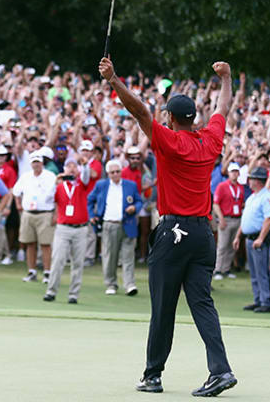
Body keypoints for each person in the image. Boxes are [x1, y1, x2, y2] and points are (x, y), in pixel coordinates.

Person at [100, 56, 236, 396]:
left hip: (174, 233)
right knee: (202, 303)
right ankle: (220, 370)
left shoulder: (171, 141)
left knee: (163, 307)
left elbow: (141, 113)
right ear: (194, 118)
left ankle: (153, 375)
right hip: (203, 234)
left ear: (172, 118)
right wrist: (227, 78)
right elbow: (224, 107)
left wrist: (114, 78)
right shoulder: (211, 140)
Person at [87, 159, 143, 296]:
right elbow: (90, 200)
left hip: (127, 223)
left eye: (118, 171)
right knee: (110, 256)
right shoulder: (102, 185)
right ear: (108, 173)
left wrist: (134, 208)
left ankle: (129, 284)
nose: (116, 174)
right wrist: (92, 215)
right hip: (109, 224)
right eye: (112, 172)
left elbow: (139, 201)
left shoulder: (131, 185)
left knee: (128, 256)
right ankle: (111, 283)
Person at [43, 158, 90, 303]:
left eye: (74, 166)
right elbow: (48, 199)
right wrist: (55, 182)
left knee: (78, 263)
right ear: (64, 170)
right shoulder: (59, 187)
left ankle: (73, 294)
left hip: (80, 228)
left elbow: (86, 176)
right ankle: (51, 291)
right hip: (63, 228)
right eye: (68, 166)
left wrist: (84, 164)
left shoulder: (81, 184)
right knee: (57, 260)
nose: (71, 169)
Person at [233, 167, 270, 313]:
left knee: (262, 271)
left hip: (259, 238)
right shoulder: (252, 197)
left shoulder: (266, 197)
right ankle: (259, 299)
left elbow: (269, 219)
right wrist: (239, 236)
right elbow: (246, 219)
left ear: (257, 181)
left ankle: (267, 301)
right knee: (254, 271)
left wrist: (261, 238)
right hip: (250, 237)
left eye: (251, 179)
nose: (249, 181)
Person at [12, 151, 57, 283]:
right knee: (29, 243)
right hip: (28, 213)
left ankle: (47, 273)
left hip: (45, 213)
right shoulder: (26, 176)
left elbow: (56, 197)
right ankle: (32, 272)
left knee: (45, 244)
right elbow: (16, 191)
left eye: (38, 162)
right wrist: (18, 204)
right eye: (34, 162)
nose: (36, 164)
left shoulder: (50, 176)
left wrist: (56, 214)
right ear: (31, 163)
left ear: (42, 162)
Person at [212, 162, 244, 279]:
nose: (235, 174)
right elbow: (216, 204)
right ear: (228, 173)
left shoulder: (240, 187)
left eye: (236, 171)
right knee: (222, 245)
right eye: (232, 172)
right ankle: (218, 269)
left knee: (232, 245)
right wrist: (220, 218)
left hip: (237, 218)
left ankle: (226, 268)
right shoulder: (222, 186)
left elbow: (240, 203)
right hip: (225, 218)